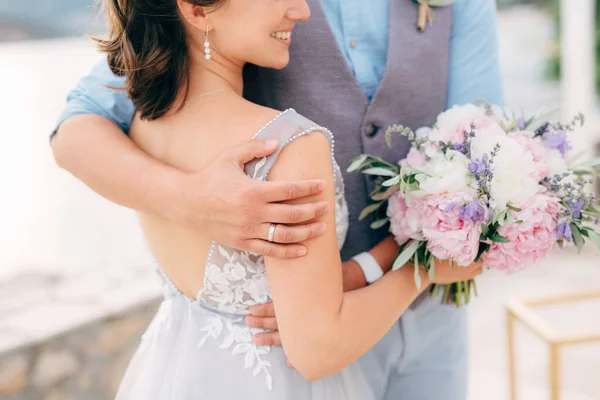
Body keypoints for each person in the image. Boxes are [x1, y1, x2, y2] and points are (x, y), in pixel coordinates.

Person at [52, 0, 503, 399]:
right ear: (195, 10)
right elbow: (77, 125)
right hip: (315, 356)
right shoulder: (289, 143)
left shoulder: (144, 125)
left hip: (194, 367)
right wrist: (194, 199)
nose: (301, 10)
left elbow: (486, 143)